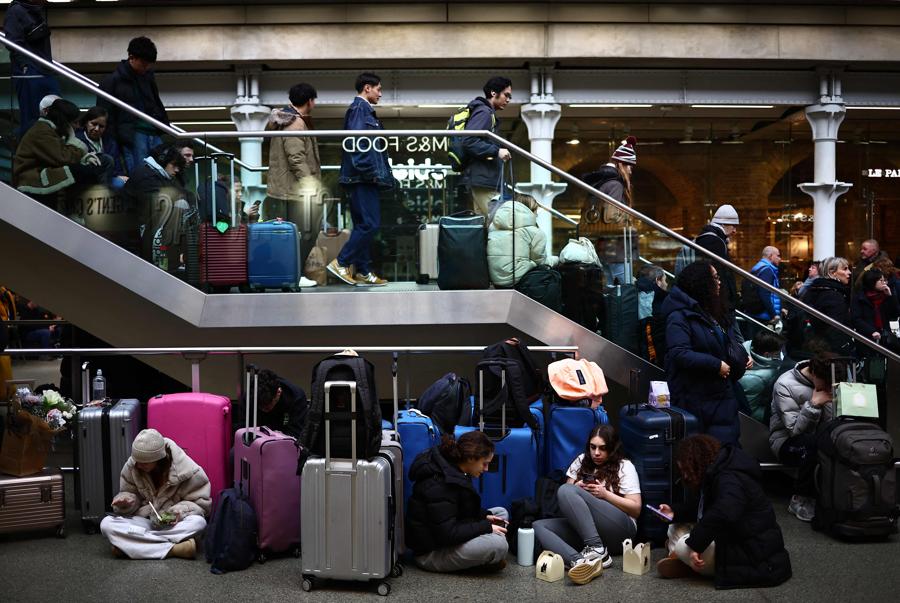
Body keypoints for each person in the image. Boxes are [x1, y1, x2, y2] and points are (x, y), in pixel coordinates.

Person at [654, 435, 791, 589]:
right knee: (673, 527)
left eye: (687, 470)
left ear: (698, 462)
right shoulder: (720, 470)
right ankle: (686, 560)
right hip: (737, 541)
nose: (685, 476)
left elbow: (723, 512)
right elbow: (705, 508)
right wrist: (674, 512)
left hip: (754, 559)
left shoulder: (729, 478)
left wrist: (695, 545)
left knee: (682, 544)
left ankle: (683, 558)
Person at [532, 425, 641, 585]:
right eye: (593, 447)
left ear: (612, 448)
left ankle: (597, 549)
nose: (596, 453)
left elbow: (636, 509)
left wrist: (605, 494)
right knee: (538, 526)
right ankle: (579, 562)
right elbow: (566, 496)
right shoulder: (581, 460)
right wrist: (578, 487)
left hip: (620, 532)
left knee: (566, 490)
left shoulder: (624, 466)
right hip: (587, 532)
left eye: (603, 448)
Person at [658, 260, 748, 445]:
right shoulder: (679, 315)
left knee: (725, 450)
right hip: (698, 398)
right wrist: (716, 365)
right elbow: (679, 353)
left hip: (719, 396)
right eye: (714, 278)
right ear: (701, 283)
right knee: (709, 451)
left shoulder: (710, 311)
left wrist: (740, 355)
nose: (719, 282)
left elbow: (723, 342)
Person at [406, 431, 509, 573]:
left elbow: (456, 509)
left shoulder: (454, 468)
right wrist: (486, 527)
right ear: (471, 458)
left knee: (501, 513)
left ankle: (483, 556)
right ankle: (482, 558)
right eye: (484, 464)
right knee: (499, 546)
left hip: (446, 537)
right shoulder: (439, 484)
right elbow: (447, 534)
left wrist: (484, 516)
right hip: (432, 553)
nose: (486, 469)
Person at [100, 428, 211, 560]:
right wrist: (127, 501)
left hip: (173, 525)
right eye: (137, 461)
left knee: (198, 523)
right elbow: (128, 492)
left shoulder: (189, 470)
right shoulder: (133, 465)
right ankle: (175, 549)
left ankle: (132, 545)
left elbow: (201, 505)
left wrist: (177, 512)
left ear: (159, 458)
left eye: (145, 462)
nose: (138, 465)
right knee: (106, 524)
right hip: (145, 521)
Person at [327, 73, 393, 287]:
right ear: (367, 88)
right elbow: (358, 144)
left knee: (363, 224)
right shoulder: (359, 109)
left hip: (359, 177)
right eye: (378, 89)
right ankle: (341, 262)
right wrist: (370, 172)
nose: (380, 94)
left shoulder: (363, 110)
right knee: (370, 224)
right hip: (362, 177)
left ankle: (363, 270)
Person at [769, 351, 840, 523]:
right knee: (811, 443)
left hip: (818, 435)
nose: (829, 386)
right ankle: (799, 498)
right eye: (826, 382)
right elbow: (794, 430)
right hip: (785, 441)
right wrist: (814, 405)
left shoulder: (826, 380)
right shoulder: (785, 384)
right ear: (814, 374)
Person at [264, 82, 322, 288]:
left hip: (285, 189)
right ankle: (293, 274)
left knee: (293, 234)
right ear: (310, 101)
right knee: (308, 231)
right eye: (314, 100)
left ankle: (290, 274)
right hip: (294, 191)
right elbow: (296, 158)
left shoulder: (286, 119)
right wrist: (310, 184)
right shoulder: (295, 123)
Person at [13, 98, 108, 207]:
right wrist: (72, 138)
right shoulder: (42, 131)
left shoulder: (48, 129)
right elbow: (64, 158)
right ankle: (77, 209)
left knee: (93, 165)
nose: (77, 126)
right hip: (31, 179)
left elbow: (61, 154)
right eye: (74, 122)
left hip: (40, 172)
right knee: (81, 171)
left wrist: (84, 157)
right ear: (65, 122)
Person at [98, 36, 170, 176]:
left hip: (152, 131)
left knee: (161, 173)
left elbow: (155, 102)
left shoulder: (147, 77)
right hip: (133, 134)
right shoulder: (113, 81)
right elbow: (106, 115)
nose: (146, 67)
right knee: (141, 174)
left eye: (148, 64)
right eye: (143, 63)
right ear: (131, 57)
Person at [121, 145, 189, 268]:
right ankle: (169, 263)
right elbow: (160, 206)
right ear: (162, 160)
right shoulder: (146, 175)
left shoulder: (157, 175)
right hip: (133, 235)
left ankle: (171, 261)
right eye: (174, 165)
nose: (177, 170)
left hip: (142, 230)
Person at [582, 136, 638, 285]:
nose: (630, 171)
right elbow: (611, 214)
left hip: (604, 247)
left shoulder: (602, 182)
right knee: (625, 287)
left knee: (610, 288)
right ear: (621, 164)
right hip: (616, 249)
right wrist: (628, 223)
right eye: (629, 166)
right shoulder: (615, 185)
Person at [3, 0, 61, 136]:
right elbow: (13, 43)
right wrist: (25, 66)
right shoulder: (16, 10)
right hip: (30, 72)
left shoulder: (36, 11)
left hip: (45, 69)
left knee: (57, 114)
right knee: (32, 118)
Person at [458, 76, 513, 218]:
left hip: (483, 179)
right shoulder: (484, 112)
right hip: (484, 180)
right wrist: (497, 151)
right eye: (506, 95)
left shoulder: (486, 113)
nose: (508, 100)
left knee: (486, 223)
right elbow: (469, 140)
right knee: (500, 221)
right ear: (494, 93)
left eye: (510, 97)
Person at [486, 194, 546, 287]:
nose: (537, 214)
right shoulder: (534, 232)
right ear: (528, 210)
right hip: (518, 280)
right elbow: (539, 261)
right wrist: (555, 260)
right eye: (535, 210)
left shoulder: (493, 226)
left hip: (495, 280)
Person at [800, 256, 852, 355]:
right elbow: (835, 327)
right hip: (830, 351)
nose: (849, 272)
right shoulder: (834, 295)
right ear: (832, 273)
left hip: (813, 346)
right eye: (845, 269)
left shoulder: (815, 289)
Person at [695, 204, 740, 312]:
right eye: (733, 226)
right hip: (718, 303)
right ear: (723, 223)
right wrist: (727, 301)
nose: (735, 231)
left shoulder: (713, 239)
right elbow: (719, 273)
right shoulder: (714, 241)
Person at [74, 106, 127, 190]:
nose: (97, 129)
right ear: (86, 122)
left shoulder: (110, 142)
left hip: (108, 178)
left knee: (123, 183)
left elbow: (117, 167)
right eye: (94, 124)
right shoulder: (76, 140)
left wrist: (120, 177)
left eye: (101, 126)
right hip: (86, 182)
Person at [738, 329, 785, 424]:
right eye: (777, 353)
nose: (780, 356)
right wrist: (775, 415)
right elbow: (751, 411)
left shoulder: (747, 347)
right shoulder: (754, 379)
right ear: (767, 354)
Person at [254, 369, 308, 440]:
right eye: (261, 406)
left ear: (278, 393)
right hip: (258, 438)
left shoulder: (296, 396)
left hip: (285, 438)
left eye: (267, 406)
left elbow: (296, 433)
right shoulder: (251, 394)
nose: (264, 409)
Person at [851, 268, 900, 346]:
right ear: (872, 282)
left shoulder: (885, 296)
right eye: (881, 280)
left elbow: (895, 314)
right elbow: (856, 319)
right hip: (867, 338)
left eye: (884, 280)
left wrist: (890, 296)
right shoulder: (860, 298)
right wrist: (872, 331)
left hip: (885, 337)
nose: (884, 283)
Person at [636, 264, 669, 365]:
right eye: (665, 280)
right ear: (657, 281)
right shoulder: (659, 301)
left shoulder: (636, 295)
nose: (666, 284)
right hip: (654, 360)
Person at [746, 246, 782, 327]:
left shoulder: (758, 268)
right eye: (778, 256)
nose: (780, 259)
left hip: (757, 312)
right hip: (764, 315)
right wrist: (773, 314)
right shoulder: (766, 271)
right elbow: (764, 293)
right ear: (771, 256)